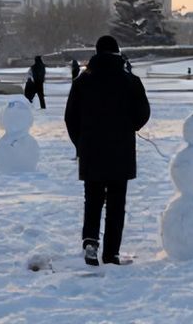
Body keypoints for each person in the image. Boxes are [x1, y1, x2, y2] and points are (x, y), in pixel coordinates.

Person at [64, 35, 150, 267]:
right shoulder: (130, 81)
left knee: (92, 199)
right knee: (116, 203)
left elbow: (70, 117)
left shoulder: (82, 82)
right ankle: (111, 253)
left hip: (91, 151)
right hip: (120, 151)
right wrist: (128, 128)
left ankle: (90, 242)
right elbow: (143, 113)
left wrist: (80, 143)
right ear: (117, 52)